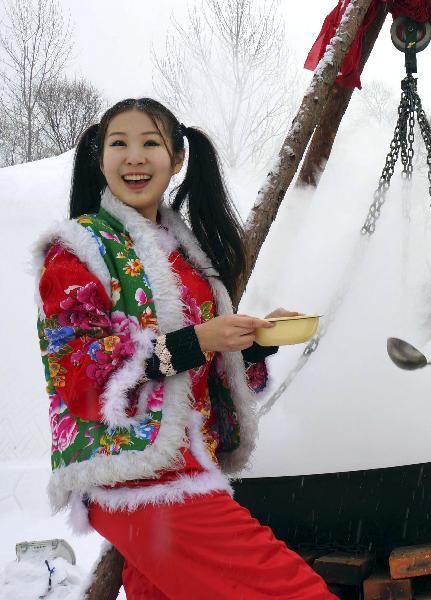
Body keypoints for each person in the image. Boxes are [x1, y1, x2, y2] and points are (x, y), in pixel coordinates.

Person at [35, 98, 335, 599]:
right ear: (99, 158)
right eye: (119, 144)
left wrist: (254, 342)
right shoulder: (78, 250)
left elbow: (201, 369)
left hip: (193, 467)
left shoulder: (188, 256)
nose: (134, 157)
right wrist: (200, 339)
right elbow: (81, 369)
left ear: (177, 160)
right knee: (291, 591)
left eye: (150, 143)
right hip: (139, 479)